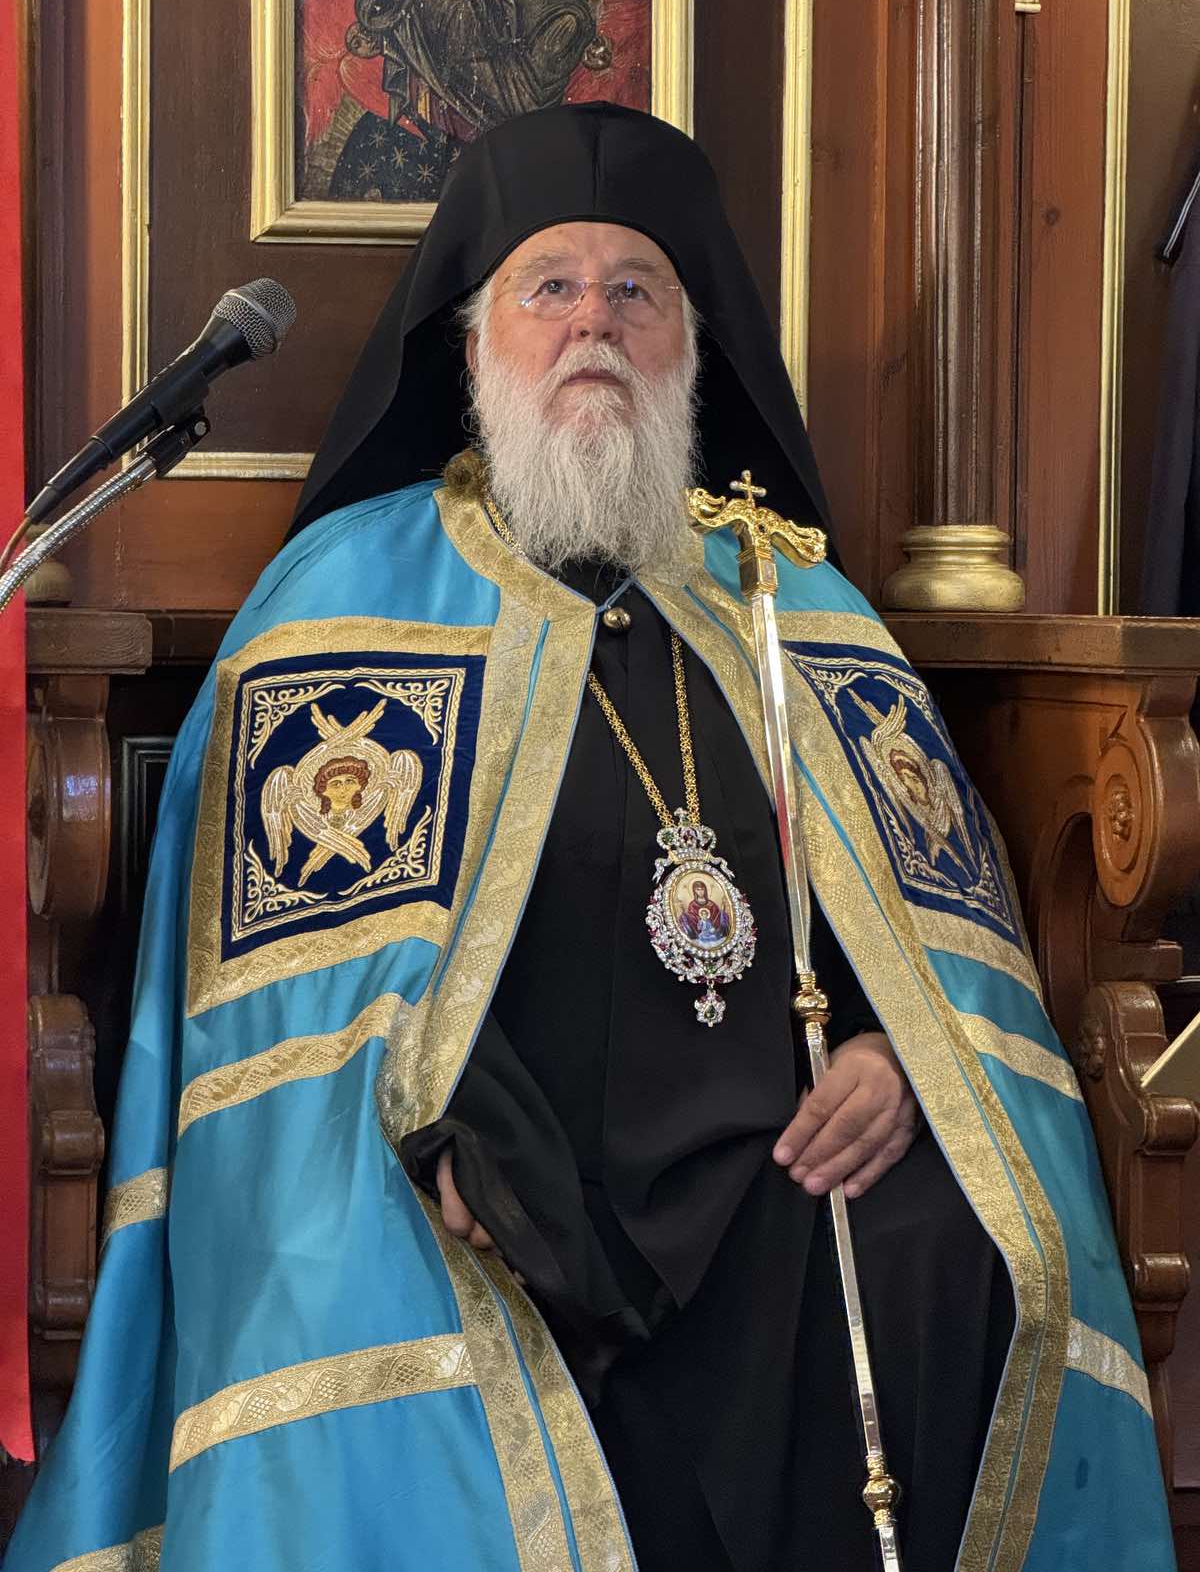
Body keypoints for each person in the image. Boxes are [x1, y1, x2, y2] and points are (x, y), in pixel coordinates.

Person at [6, 103, 1175, 1572]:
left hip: (778, 1163)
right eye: (549, 286)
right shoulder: (344, 605)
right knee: (364, 1275)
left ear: (694, 345)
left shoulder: (791, 601)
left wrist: (898, 1060)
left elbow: (938, 935)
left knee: (981, 1255)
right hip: (493, 1165)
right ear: (473, 344)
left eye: (636, 290)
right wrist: (443, 1126)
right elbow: (306, 998)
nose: (593, 324)